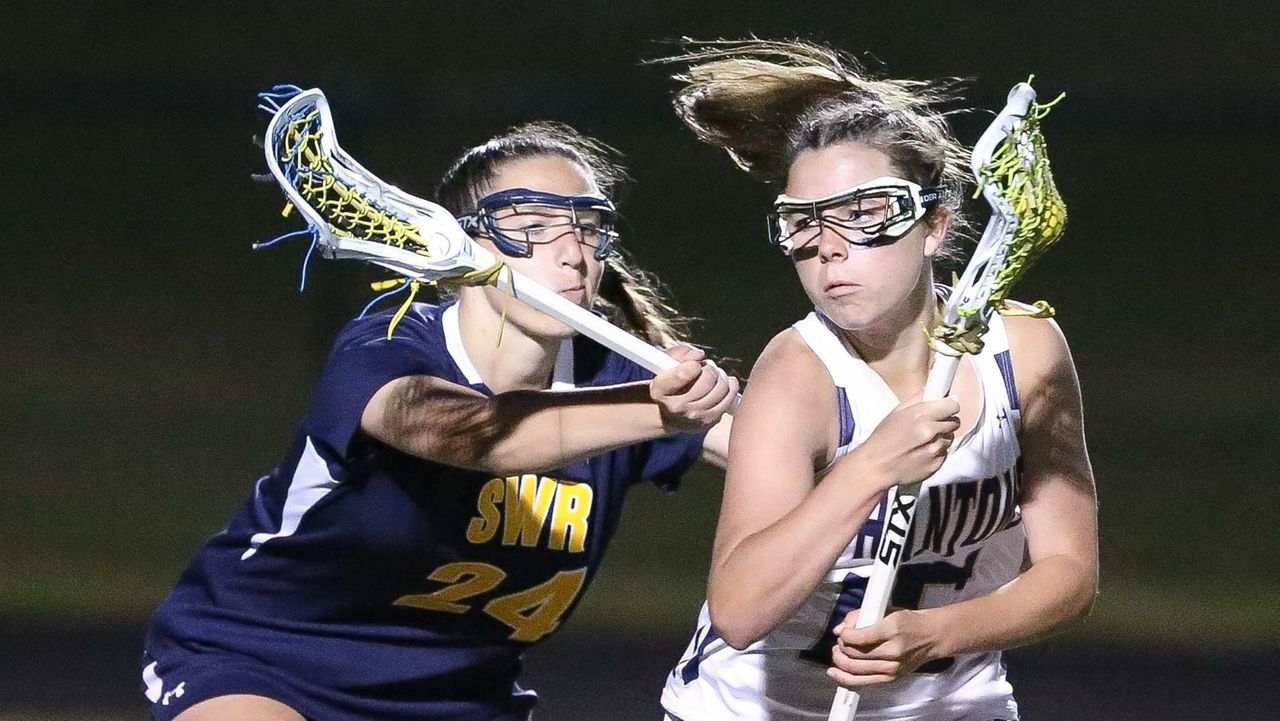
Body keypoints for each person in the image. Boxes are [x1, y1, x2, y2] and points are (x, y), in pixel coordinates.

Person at [140, 120, 737, 721]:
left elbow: (786, 449)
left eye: (587, 230)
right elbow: (474, 433)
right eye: (532, 227)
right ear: (464, 246)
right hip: (266, 663)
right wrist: (656, 410)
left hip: (462, 699)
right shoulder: (388, 348)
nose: (571, 253)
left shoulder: (616, 376)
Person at [658, 40, 1098, 721]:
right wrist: (867, 468)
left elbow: (1069, 573)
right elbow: (740, 610)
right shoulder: (799, 376)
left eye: (864, 213)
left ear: (935, 226)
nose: (828, 244)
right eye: (803, 222)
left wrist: (939, 634)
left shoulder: (1027, 349)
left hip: (957, 706)